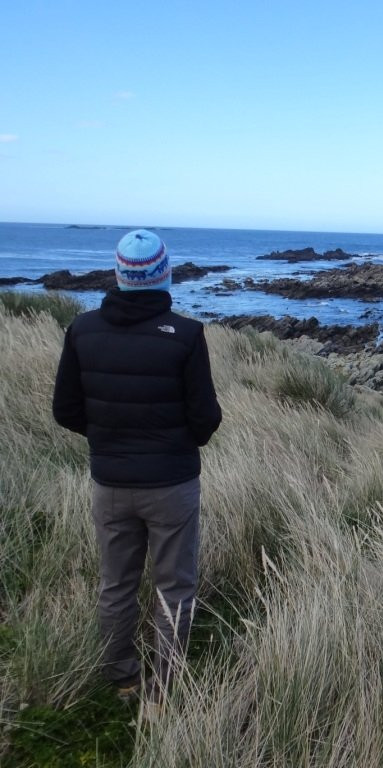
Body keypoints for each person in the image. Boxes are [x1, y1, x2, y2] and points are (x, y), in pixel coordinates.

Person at [52, 229, 222, 711]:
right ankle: (162, 690)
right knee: (175, 587)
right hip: (172, 484)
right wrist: (174, 443)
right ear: (163, 273)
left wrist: (110, 440)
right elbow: (205, 417)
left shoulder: (82, 329)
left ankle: (122, 679)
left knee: (116, 584)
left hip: (110, 483)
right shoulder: (186, 334)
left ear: (120, 274)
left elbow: (66, 410)